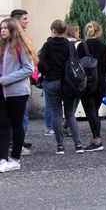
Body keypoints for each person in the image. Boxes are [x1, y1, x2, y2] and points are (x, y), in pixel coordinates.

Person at [38, 19, 85, 154]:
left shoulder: (47, 45)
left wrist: (48, 71)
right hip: (68, 83)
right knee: (70, 114)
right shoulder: (69, 45)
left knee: (56, 113)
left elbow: (40, 63)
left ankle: (60, 146)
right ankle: (78, 144)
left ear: (53, 30)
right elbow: (76, 62)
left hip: (52, 81)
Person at [0, 18, 35, 172]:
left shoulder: (21, 46)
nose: (2, 31)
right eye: (1, 28)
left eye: (5, 28)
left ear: (13, 30)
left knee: (16, 124)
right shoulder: (3, 46)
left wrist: (5, 80)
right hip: (3, 92)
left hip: (18, 92)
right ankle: (2, 158)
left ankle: (15, 158)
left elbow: (28, 69)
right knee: (3, 125)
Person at [77, 22, 106, 152]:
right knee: (94, 111)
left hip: (87, 83)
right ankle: (96, 138)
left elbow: (77, 66)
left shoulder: (81, 46)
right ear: (99, 32)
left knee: (90, 112)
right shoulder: (103, 47)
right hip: (100, 83)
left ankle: (97, 139)